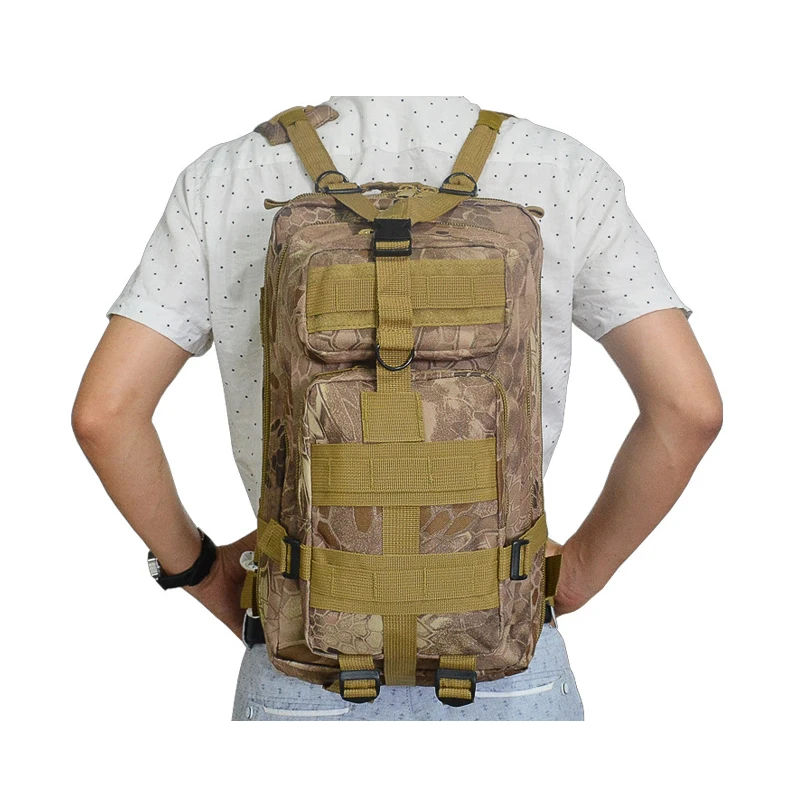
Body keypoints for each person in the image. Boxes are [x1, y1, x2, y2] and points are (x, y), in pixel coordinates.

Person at [71, 96, 722, 721]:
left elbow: (106, 415)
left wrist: (202, 573)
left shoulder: (228, 174)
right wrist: (572, 576)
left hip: (300, 663)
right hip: (508, 651)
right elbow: (687, 410)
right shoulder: (562, 167)